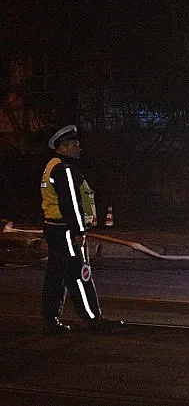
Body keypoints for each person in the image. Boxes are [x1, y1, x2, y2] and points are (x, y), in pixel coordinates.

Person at [40, 125, 123, 335]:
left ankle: (50, 320)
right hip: (67, 232)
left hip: (55, 229)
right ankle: (94, 319)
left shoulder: (51, 166)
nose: (79, 148)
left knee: (56, 276)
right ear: (64, 146)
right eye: (75, 144)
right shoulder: (64, 169)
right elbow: (72, 204)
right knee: (79, 274)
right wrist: (79, 232)